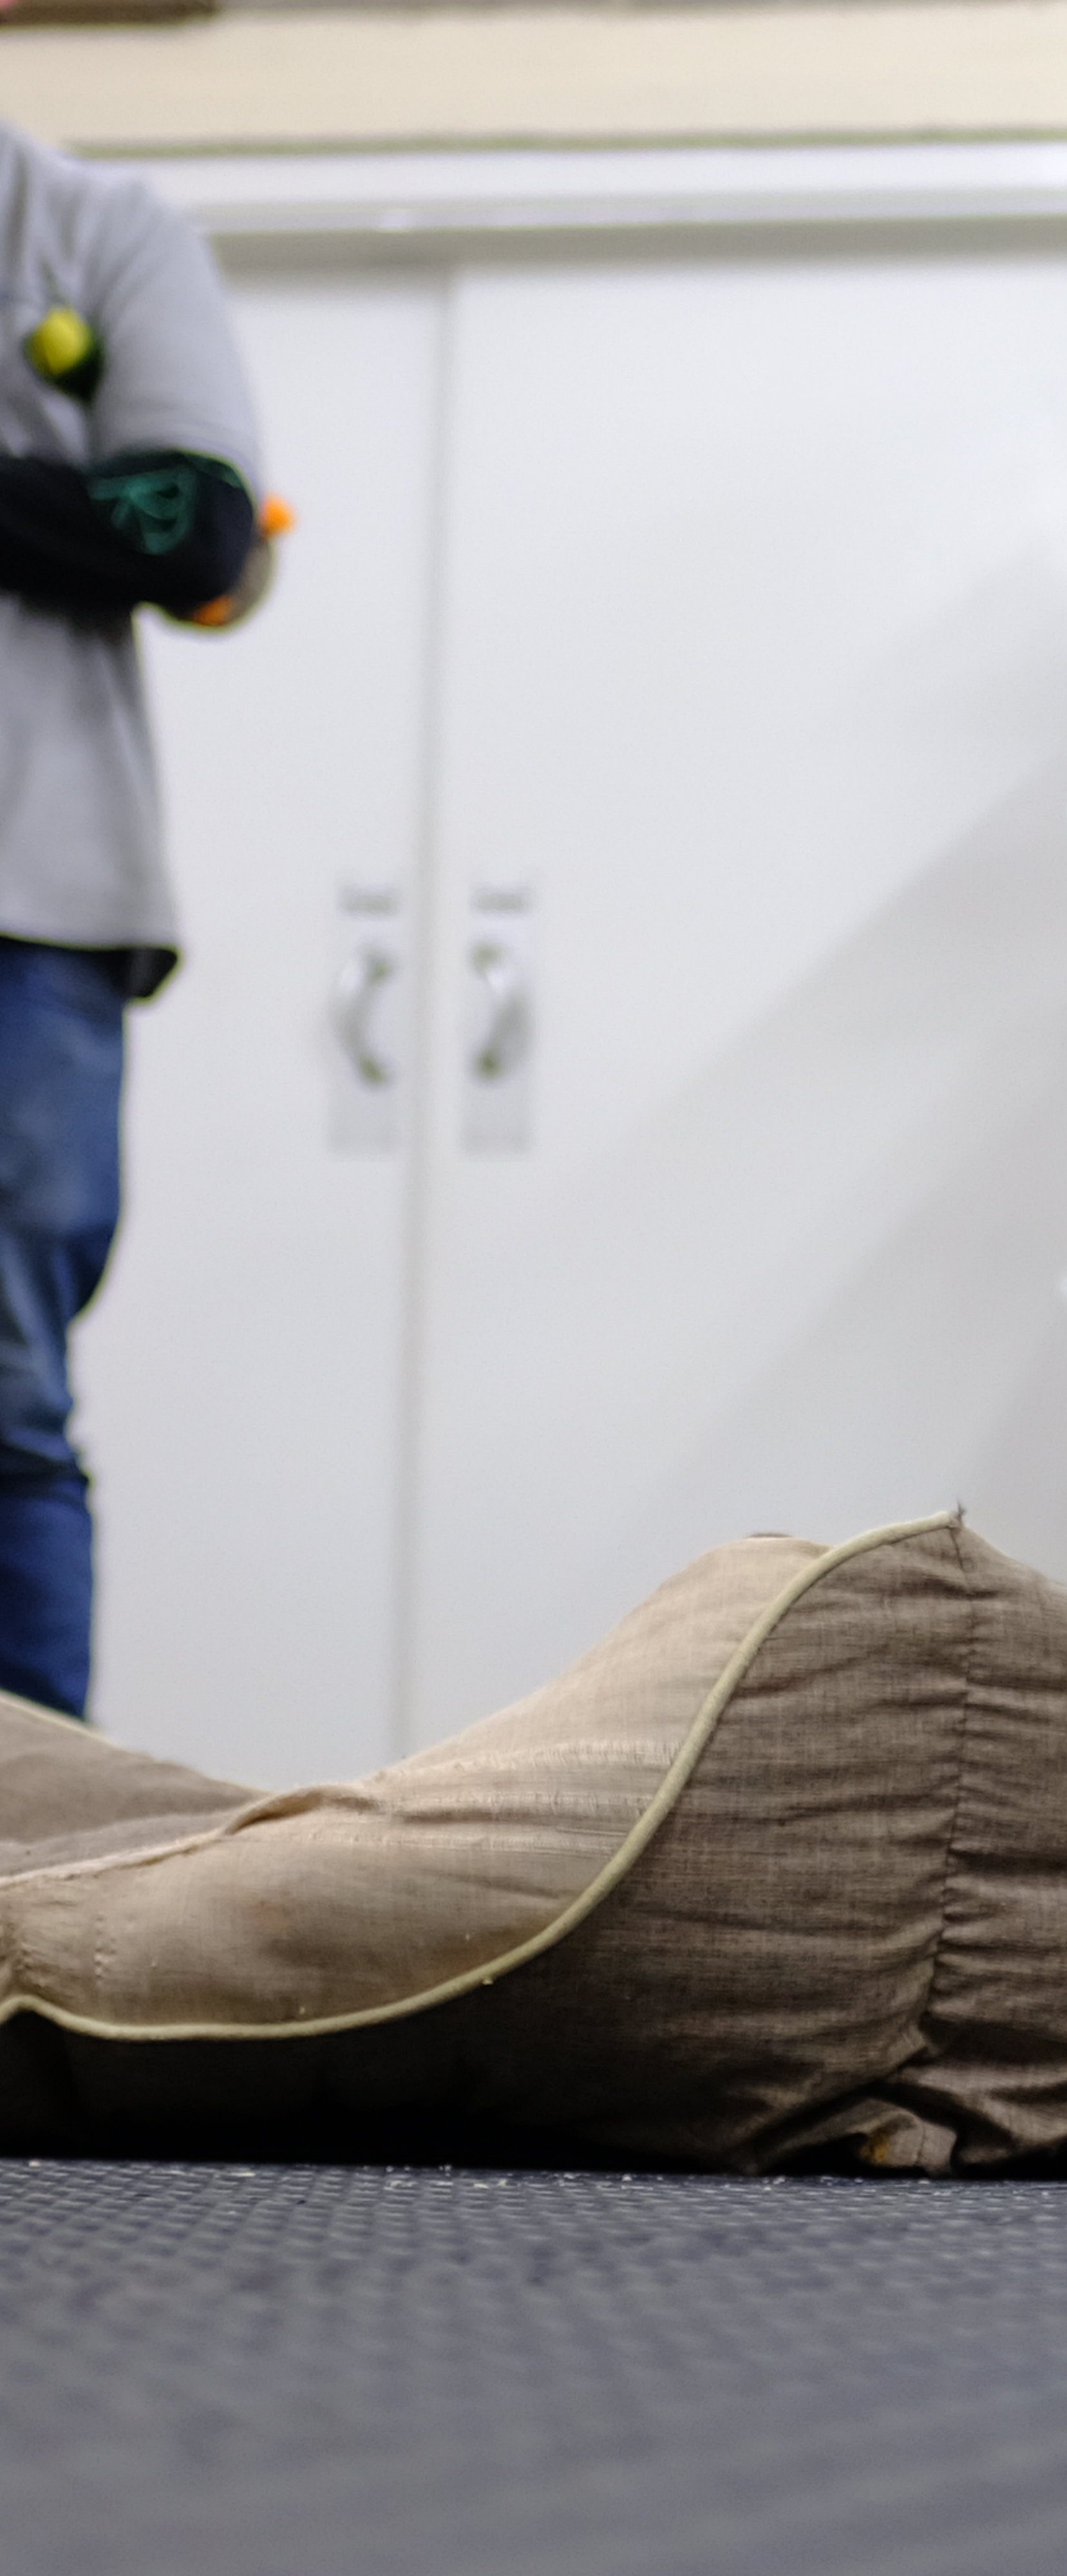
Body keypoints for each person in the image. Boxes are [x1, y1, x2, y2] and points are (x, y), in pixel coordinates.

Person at [0, 122, 263, 1718]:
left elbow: (197, 526)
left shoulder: (94, 230)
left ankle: (26, 1898)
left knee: (1, 1403)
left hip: (25, 907)